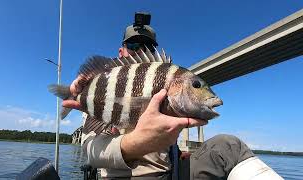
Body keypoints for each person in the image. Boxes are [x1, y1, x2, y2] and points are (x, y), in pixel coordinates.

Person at [63, 14, 283, 180]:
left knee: (228, 147)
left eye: (147, 46)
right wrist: (136, 143)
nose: (140, 50)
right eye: (133, 45)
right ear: (121, 51)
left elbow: (167, 138)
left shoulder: (170, 89)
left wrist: (177, 153)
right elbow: (90, 151)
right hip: (125, 177)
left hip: (172, 172)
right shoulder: (104, 87)